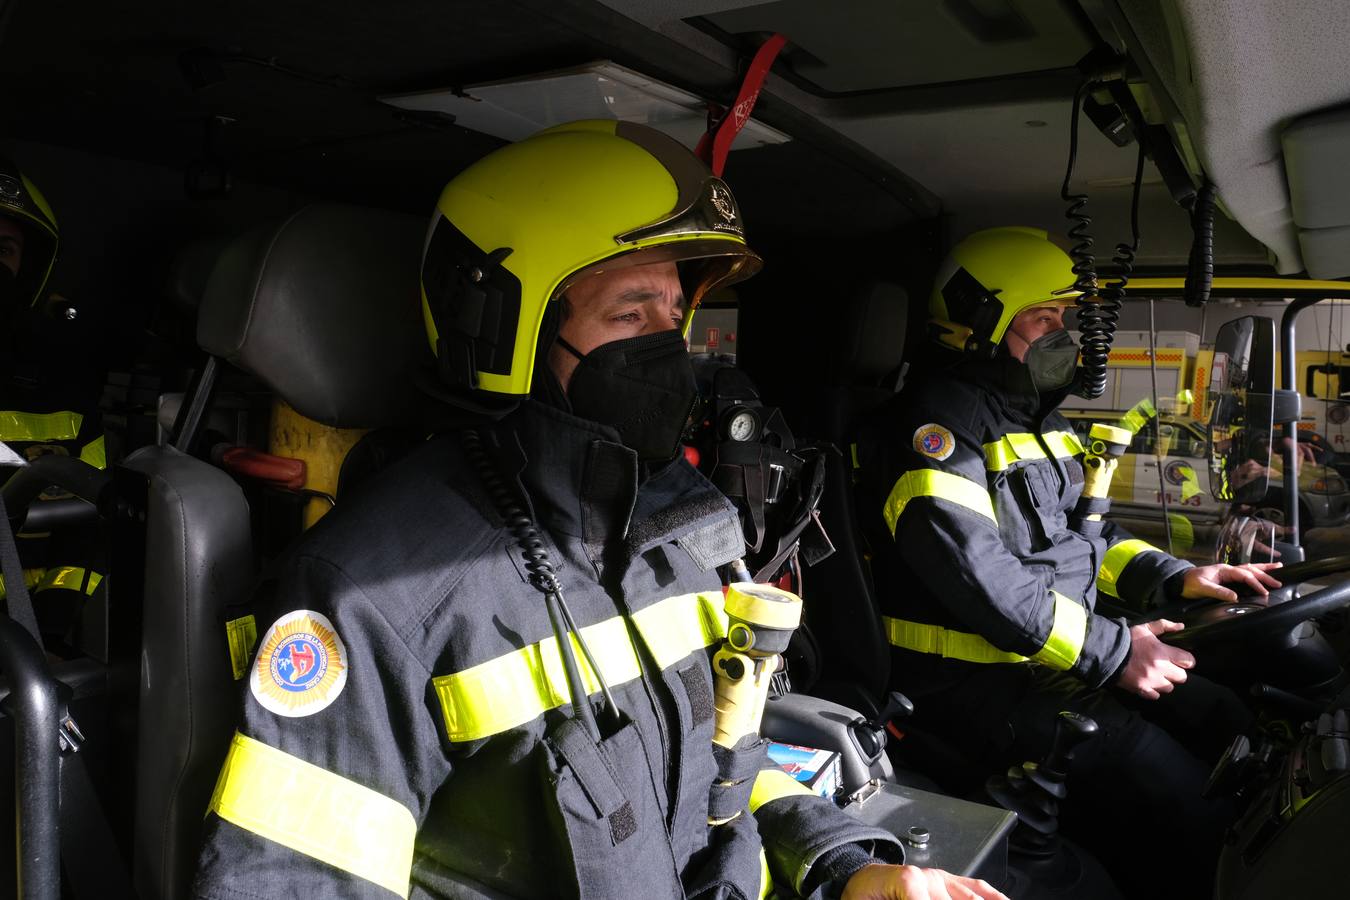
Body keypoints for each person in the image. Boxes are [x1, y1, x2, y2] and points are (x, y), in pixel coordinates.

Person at [193, 121, 1005, 900]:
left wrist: (842, 866)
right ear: (504, 328)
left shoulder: (686, 525)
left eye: (672, 309)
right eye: (629, 314)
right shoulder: (369, 592)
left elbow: (722, 764)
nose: (671, 344)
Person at [854, 226, 1281, 898]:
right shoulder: (937, 429)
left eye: (1064, 318)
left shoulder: (1035, 420)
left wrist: (1177, 577)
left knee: (1221, 715)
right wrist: (1114, 654)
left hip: (1045, 662)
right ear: (981, 319)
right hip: (966, 686)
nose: (1064, 335)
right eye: (1042, 316)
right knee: (1180, 792)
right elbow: (980, 577)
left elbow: (1086, 537)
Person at [0, 157, 108, 651]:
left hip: (34, 640)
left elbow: (95, 520)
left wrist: (49, 626)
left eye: (4, 249)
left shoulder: (64, 387)